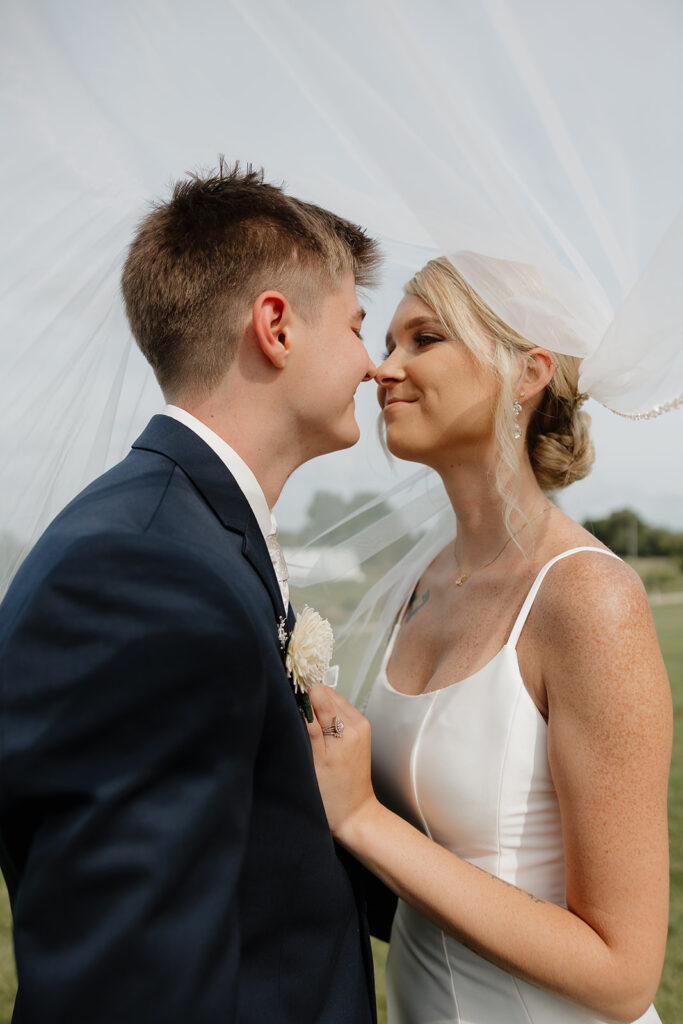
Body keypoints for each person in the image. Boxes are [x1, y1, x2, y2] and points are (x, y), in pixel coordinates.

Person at [0, 162, 382, 1023]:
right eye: (358, 326)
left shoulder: (190, 534)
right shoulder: (141, 576)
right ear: (276, 327)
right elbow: (132, 989)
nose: (371, 362)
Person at [305, 256, 672, 1024]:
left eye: (423, 339)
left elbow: (623, 975)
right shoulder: (425, 581)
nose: (382, 367)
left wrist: (360, 819)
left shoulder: (588, 601)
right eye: (386, 341)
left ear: (529, 371)